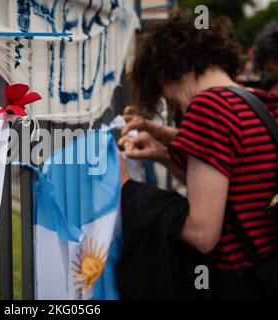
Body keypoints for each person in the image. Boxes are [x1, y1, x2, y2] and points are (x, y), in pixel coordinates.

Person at [118, 12, 278, 299]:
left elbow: (202, 234)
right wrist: (162, 155)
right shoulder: (260, 102)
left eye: (162, 90)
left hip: (236, 283)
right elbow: (234, 186)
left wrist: (127, 189)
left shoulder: (209, 107)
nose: (172, 104)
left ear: (167, 69)